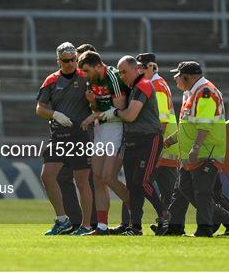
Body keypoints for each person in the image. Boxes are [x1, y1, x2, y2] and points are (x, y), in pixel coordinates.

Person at [165, 61, 229, 237]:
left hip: (206, 152)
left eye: (178, 75)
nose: (175, 79)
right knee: (186, 189)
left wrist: (195, 147)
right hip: (192, 154)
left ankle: (205, 229)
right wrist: (170, 140)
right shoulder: (192, 92)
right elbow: (188, 126)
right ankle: (221, 215)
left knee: (203, 192)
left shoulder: (205, 93)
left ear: (187, 77)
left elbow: (204, 125)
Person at [36, 42, 93, 236]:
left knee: (82, 181)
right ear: (58, 61)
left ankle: (86, 225)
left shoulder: (86, 77)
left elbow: (100, 102)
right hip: (59, 136)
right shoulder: (51, 80)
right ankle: (62, 219)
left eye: (73, 60)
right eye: (66, 61)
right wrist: (55, 115)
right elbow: (40, 108)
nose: (70, 64)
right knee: (47, 175)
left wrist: (93, 101)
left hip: (81, 136)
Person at [110, 55, 169, 236]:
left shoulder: (143, 84)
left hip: (148, 139)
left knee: (142, 182)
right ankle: (135, 227)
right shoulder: (130, 87)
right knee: (132, 186)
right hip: (132, 140)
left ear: (136, 69)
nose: (122, 75)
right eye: (119, 73)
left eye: (124, 72)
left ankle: (165, 216)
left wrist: (114, 112)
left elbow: (130, 116)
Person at [77, 50, 131, 235]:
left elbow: (120, 109)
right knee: (98, 179)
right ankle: (102, 226)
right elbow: (97, 107)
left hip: (116, 129)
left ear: (97, 65)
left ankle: (135, 213)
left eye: (86, 70)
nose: (84, 74)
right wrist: (92, 103)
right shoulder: (92, 81)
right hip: (100, 130)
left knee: (108, 176)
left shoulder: (113, 77)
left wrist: (94, 115)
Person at [55, 43, 98, 232]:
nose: (75, 64)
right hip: (68, 136)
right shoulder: (74, 78)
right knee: (63, 176)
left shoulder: (90, 79)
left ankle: (92, 223)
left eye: (77, 60)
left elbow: (101, 105)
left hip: (85, 134)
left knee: (86, 179)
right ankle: (75, 221)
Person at [136, 53, 179, 221]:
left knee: (141, 182)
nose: (139, 70)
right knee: (169, 190)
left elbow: (162, 120)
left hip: (162, 145)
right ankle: (168, 221)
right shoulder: (154, 84)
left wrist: (157, 143)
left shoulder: (157, 86)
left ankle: (135, 222)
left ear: (153, 67)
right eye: (137, 67)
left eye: (143, 67)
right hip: (164, 145)